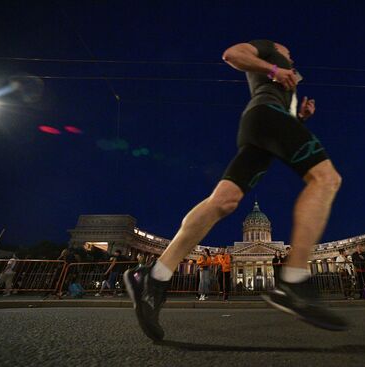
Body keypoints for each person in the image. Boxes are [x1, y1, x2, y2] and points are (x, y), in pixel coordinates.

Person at [124, 39, 345, 343]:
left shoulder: (284, 74)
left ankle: (154, 275)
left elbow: (281, 110)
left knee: (224, 201)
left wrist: (299, 118)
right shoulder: (270, 50)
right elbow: (231, 54)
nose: (293, 57)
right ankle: (294, 278)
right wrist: (274, 68)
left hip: (265, 125)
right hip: (266, 116)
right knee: (326, 179)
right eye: (290, 53)